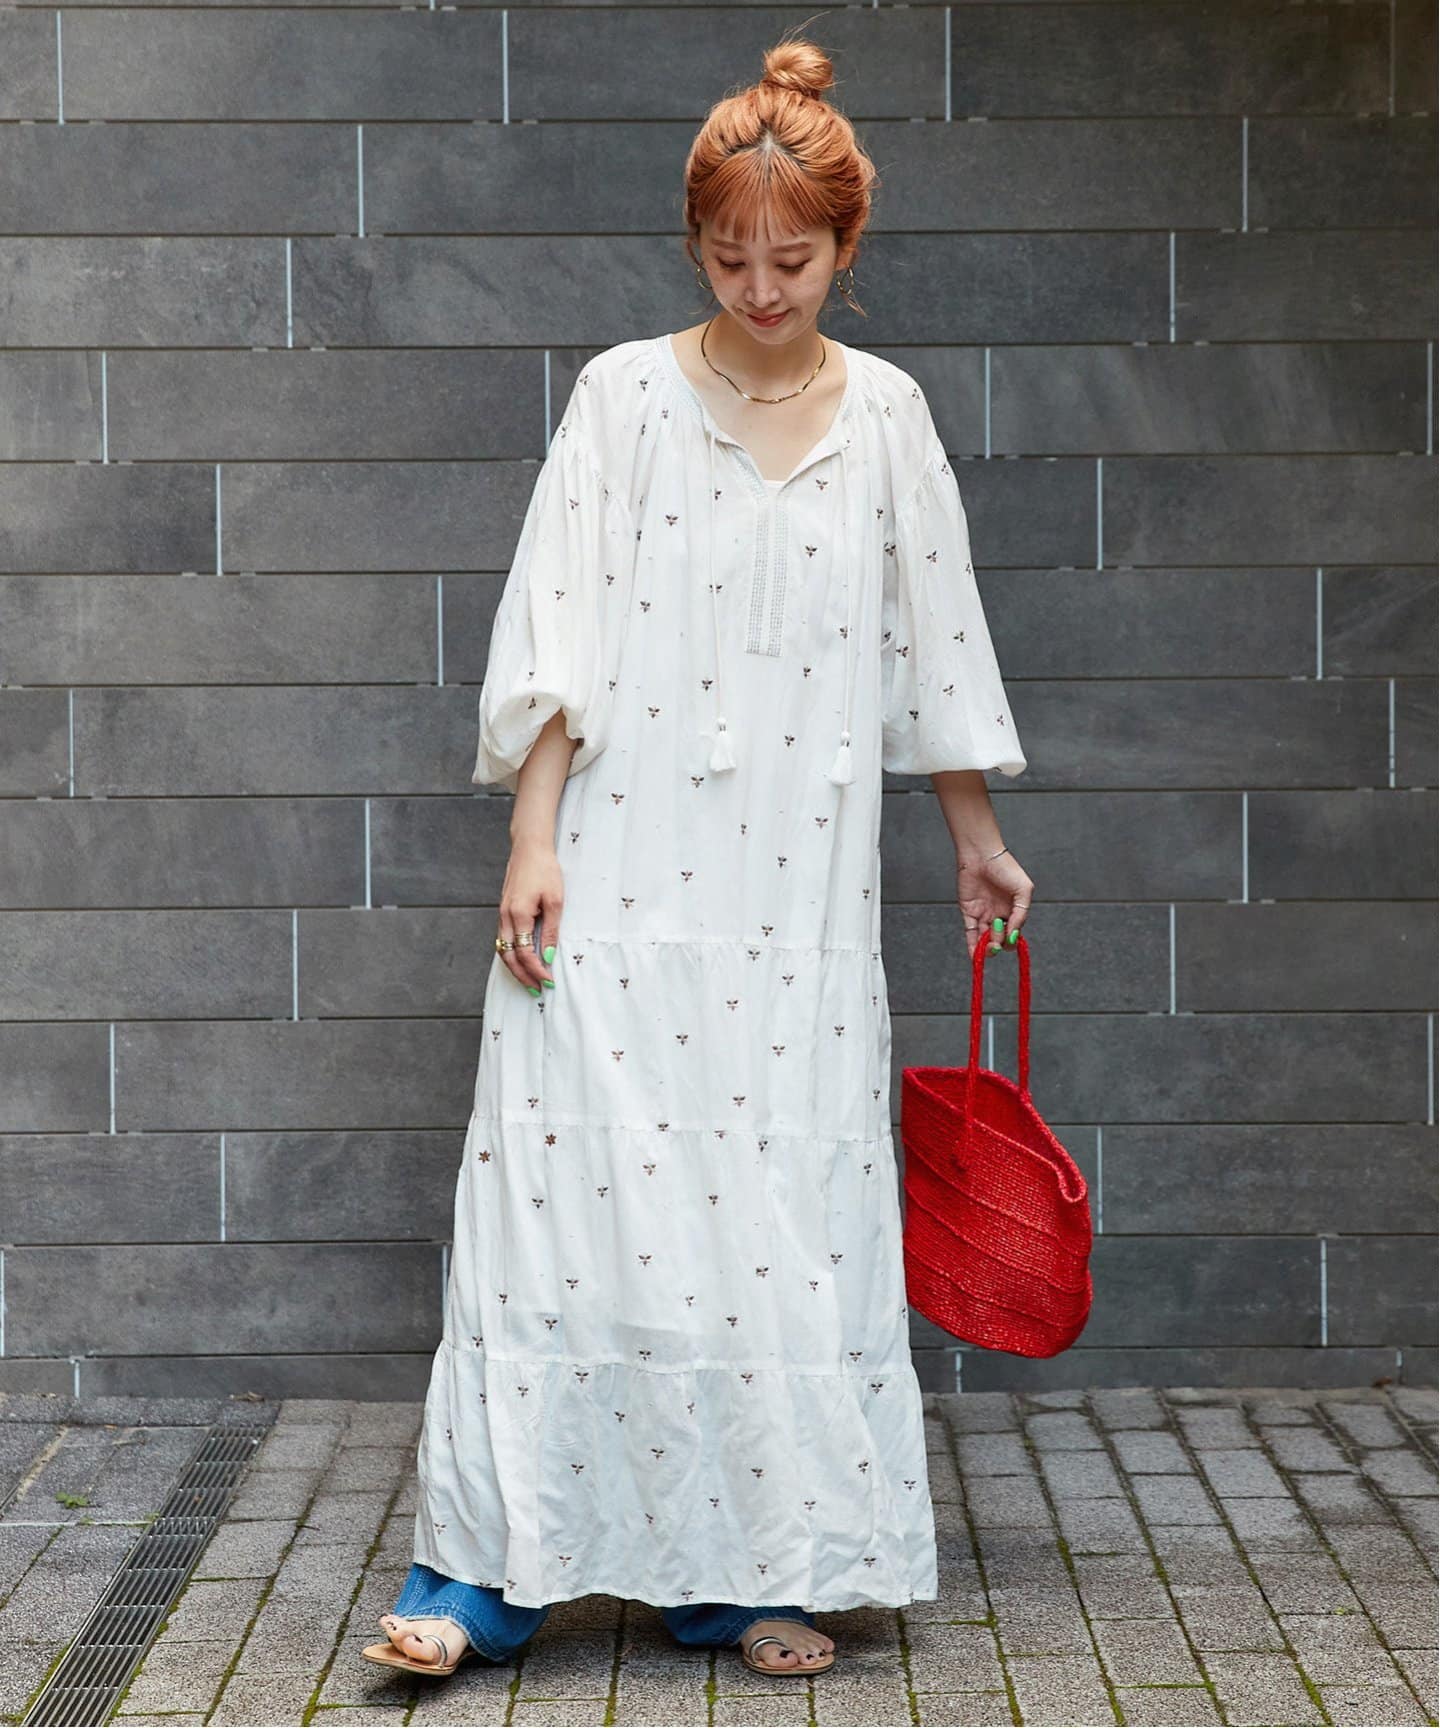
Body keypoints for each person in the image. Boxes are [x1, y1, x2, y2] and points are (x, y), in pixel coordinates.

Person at [363, 31, 1034, 1684]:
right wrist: (532, 836)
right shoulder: (622, 399)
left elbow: (933, 639)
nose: (760, 287)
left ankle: (738, 1573)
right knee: (559, 1193)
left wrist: (976, 835)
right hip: (615, 865)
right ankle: (483, 1572)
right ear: (696, 244)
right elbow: (559, 629)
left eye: (791, 258)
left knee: (773, 1217)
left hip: (794, 895)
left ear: (845, 247)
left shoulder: (889, 417)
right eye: (730, 257)